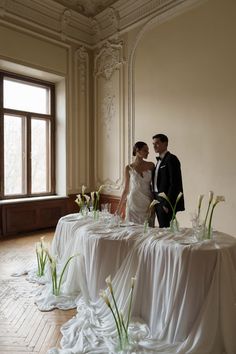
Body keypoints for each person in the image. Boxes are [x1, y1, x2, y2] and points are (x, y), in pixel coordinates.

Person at [116, 141, 155, 224]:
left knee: (147, 231)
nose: (148, 152)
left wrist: (153, 203)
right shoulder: (128, 168)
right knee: (132, 230)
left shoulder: (151, 165)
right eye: (145, 150)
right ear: (137, 151)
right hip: (133, 203)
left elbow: (154, 186)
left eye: (148, 150)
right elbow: (126, 190)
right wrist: (118, 210)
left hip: (147, 202)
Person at [152, 133, 184, 227]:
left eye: (157, 143)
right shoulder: (158, 161)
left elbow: (174, 183)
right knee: (162, 228)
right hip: (157, 199)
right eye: (153, 143)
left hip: (166, 201)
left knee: (166, 230)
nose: (154, 146)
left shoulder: (171, 159)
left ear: (165, 144)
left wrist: (167, 203)